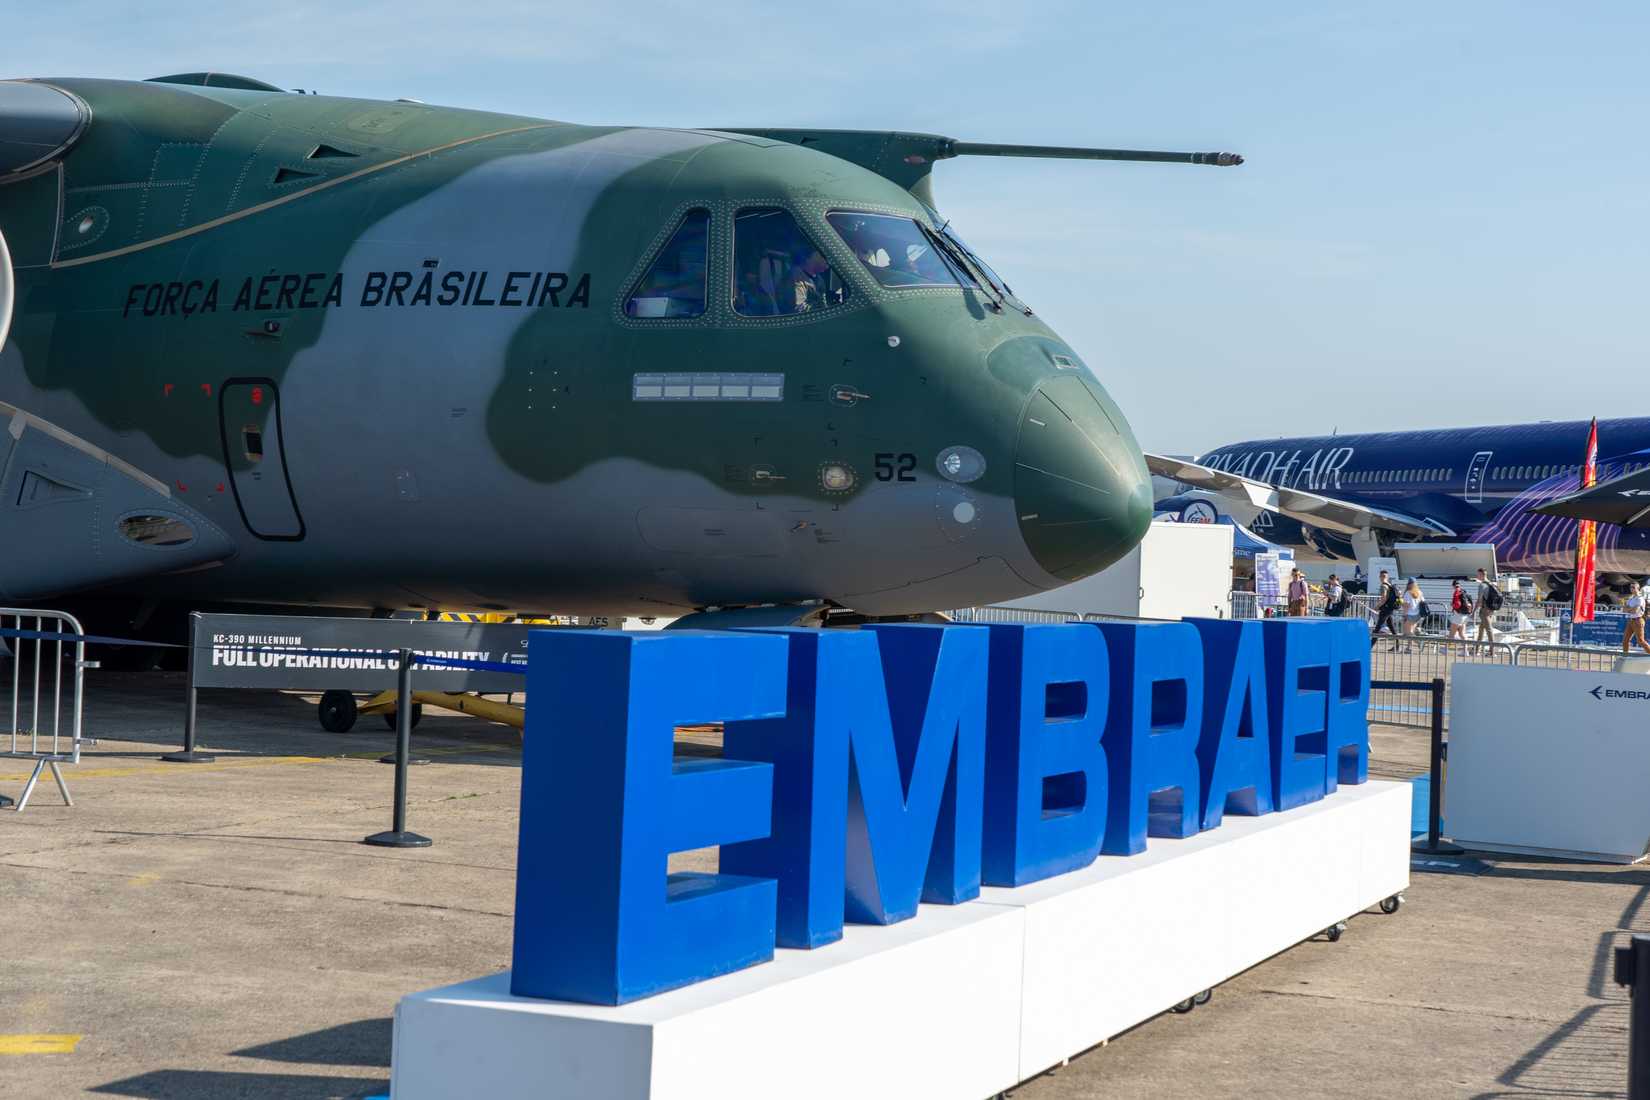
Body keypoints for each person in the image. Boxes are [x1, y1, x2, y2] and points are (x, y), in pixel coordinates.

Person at [1473, 567, 1499, 650]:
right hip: (1491, 610)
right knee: (1481, 630)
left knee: (1489, 630)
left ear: (1481, 575)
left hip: (1485, 611)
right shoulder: (1492, 584)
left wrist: (1474, 611)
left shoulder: (1482, 585)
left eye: (1478, 574)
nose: (1477, 576)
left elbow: (1479, 600)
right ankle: (1477, 649)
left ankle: (1492, 651)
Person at [1371, 569, 1400, 643]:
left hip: (1385, 609)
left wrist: (1377, 607)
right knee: (1391, 627)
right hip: (1390, 608)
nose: (1382, 578)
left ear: (1380, 577)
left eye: (1382, 576)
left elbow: (1383, 599)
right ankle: (1397, 645)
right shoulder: (1390, 585)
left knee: (1377, 628)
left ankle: (1369, 646)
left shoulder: (1383, 586)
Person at [1624, 581, 1650, 655]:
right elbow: (1624, 609)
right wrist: (1630, 609)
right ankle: (1625, 657)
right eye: (1630, 587)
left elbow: (1635, 611)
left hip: (1638, 620)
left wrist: (1629, 609)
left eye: (1633, 587)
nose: (1631, 589)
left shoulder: (1640, 598)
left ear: (1638, 588)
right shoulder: (1631, 598)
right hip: (1631, 620)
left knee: (1641, 641)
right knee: (1625, 640)